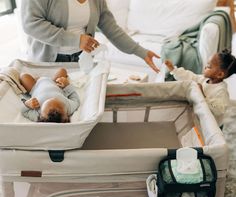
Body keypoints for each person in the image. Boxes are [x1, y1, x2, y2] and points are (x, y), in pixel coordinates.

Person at [20, 0, 160, 72]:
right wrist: (76, 40)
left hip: (81, 61)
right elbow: (31, 23)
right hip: (48, 63)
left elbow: (110, 27)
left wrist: (141, 51)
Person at [165, 49, 236, 125]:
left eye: (209, 66)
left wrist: (203, 95)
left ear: (219, 74)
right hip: (199, 113)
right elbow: (190, 77)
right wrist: (173, 69)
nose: (205, 67)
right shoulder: (204, 79)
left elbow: (219, 110)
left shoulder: (221, 91)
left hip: (211, 123)